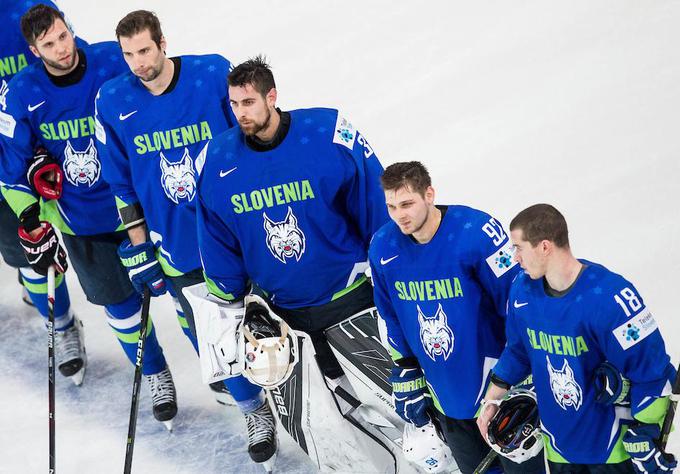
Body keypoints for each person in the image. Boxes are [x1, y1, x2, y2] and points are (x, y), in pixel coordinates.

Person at [195, 55, 389, 464]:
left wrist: (387, 267)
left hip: (349, 298)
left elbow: (374, 205)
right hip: (281, 312)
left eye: (248, 103)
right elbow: (216, 237)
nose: (240, 113)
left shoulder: (329, 133)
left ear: (272, 97)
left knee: (392, 405)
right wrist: (229, 300)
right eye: (233, 104)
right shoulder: (217, 159)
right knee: (316, 426)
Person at [94, 10, 268, 463]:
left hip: (238, 229)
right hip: (176, 245)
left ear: (163, 43)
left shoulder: (211, 73)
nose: (138, 62)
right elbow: (121, 183)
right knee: (214, 335)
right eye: (128, 54)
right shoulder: (112, 101)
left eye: (145, 50)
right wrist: (138, 245)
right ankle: (254, 411)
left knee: (275, 320)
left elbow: (251, 140)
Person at [0, 4, 179, 427]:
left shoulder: (113, 61)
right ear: (33, 49)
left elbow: (158, 105)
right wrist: (29, 218)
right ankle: (155, 372)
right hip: (82, 221)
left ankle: (220, 372)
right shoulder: (22, 93)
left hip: (141, 207)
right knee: (120, 307)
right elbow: (10, 171)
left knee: (186, 294)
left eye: (64, 36)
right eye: (49, 44)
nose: (62, 48)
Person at [368, 161, 545, 474]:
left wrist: (528, 377)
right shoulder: (383, 246)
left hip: (502, 395)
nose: (400, 215)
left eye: (407, 203)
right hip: (447, 400)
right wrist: (406, 368)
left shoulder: (476, 234)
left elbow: (522, 306)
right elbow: (389, 314)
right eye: (392, 206)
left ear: (429, 194)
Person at [477, 203, 676, 474]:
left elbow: (652, 371)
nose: (515, 258)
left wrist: (648, 432)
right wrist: (491, 399)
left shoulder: (610, 297)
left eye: (519, 248)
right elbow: (519, 351)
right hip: (559, 445)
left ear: (544, 246)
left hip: (611, 449)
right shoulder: (522, 291)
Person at [0, 0, 78, 334]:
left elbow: (72, 63)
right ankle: (62, 325)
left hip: (45, 142)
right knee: (27, 252)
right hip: (5, 163)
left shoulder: (30, 7)